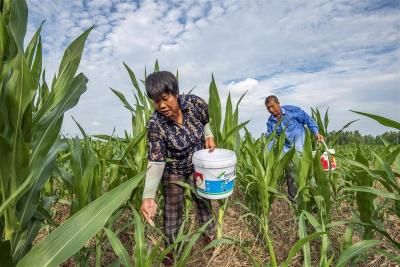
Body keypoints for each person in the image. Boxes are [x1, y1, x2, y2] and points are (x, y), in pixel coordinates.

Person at [140, 71, 216, 266]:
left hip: (197, 164)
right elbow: (156, 160)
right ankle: (171, 251)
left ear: (176, 93)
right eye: (156, 102)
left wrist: (209, 136)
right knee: (173, 209)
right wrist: (148, 196)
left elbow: (206, 122)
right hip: (174, 169)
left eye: (165, 99)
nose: (162, 105)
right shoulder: (155, 124)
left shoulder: (195, 104)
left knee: (203, 200)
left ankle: (210, 237)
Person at [264, 95, 324, 200]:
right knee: (291, 176)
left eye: (272, 106)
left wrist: (316, 133)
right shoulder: (271, 122)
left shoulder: (293, 111)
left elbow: (308, 120)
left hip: (301, 150)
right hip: (287, 153)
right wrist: (267, 157)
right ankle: (295, 202)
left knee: (308, 175)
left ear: (278, 103)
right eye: (268, 108)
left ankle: (313, 201)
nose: (271, 110)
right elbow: (271, 140)